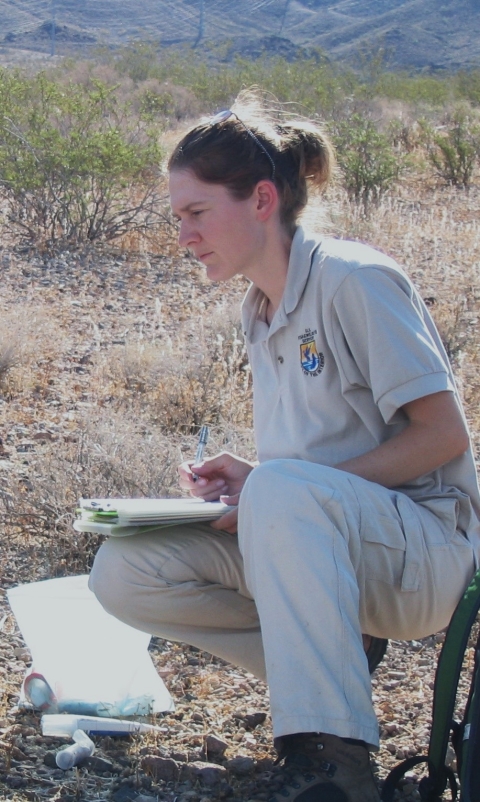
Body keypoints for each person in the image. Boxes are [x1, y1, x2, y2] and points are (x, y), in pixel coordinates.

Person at [89, 95, 480, 802]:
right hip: (329, 541)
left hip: (425, 555)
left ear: (262, 198)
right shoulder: (259, 309)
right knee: (122, 570)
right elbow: (316, 475)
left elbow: (444, 435)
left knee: (280, 490)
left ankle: (332, 763)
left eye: (197, 213)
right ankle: (333, 665)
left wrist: (276, 487)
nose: (183, 235)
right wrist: (256, 480)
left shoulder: (354, 280)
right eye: (178, 217)